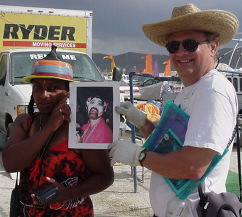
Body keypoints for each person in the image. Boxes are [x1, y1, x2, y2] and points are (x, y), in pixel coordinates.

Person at [108, 3, 239, 217]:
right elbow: (169, 146)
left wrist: (137, 156)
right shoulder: (194, 88)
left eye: (190, 44)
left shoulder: (213, 91)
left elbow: (192, 167)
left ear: (213, 46)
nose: (180, 52)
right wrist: (143, 122)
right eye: (173, 46)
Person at [2, 46, 114, 217]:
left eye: (53, 88)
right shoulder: (24, 122)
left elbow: (105, 176)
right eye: (37, 87)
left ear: (68, 91)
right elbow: (10, 164)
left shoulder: (80, 128)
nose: (43, 95)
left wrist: (66, 195)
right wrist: (48, 129)